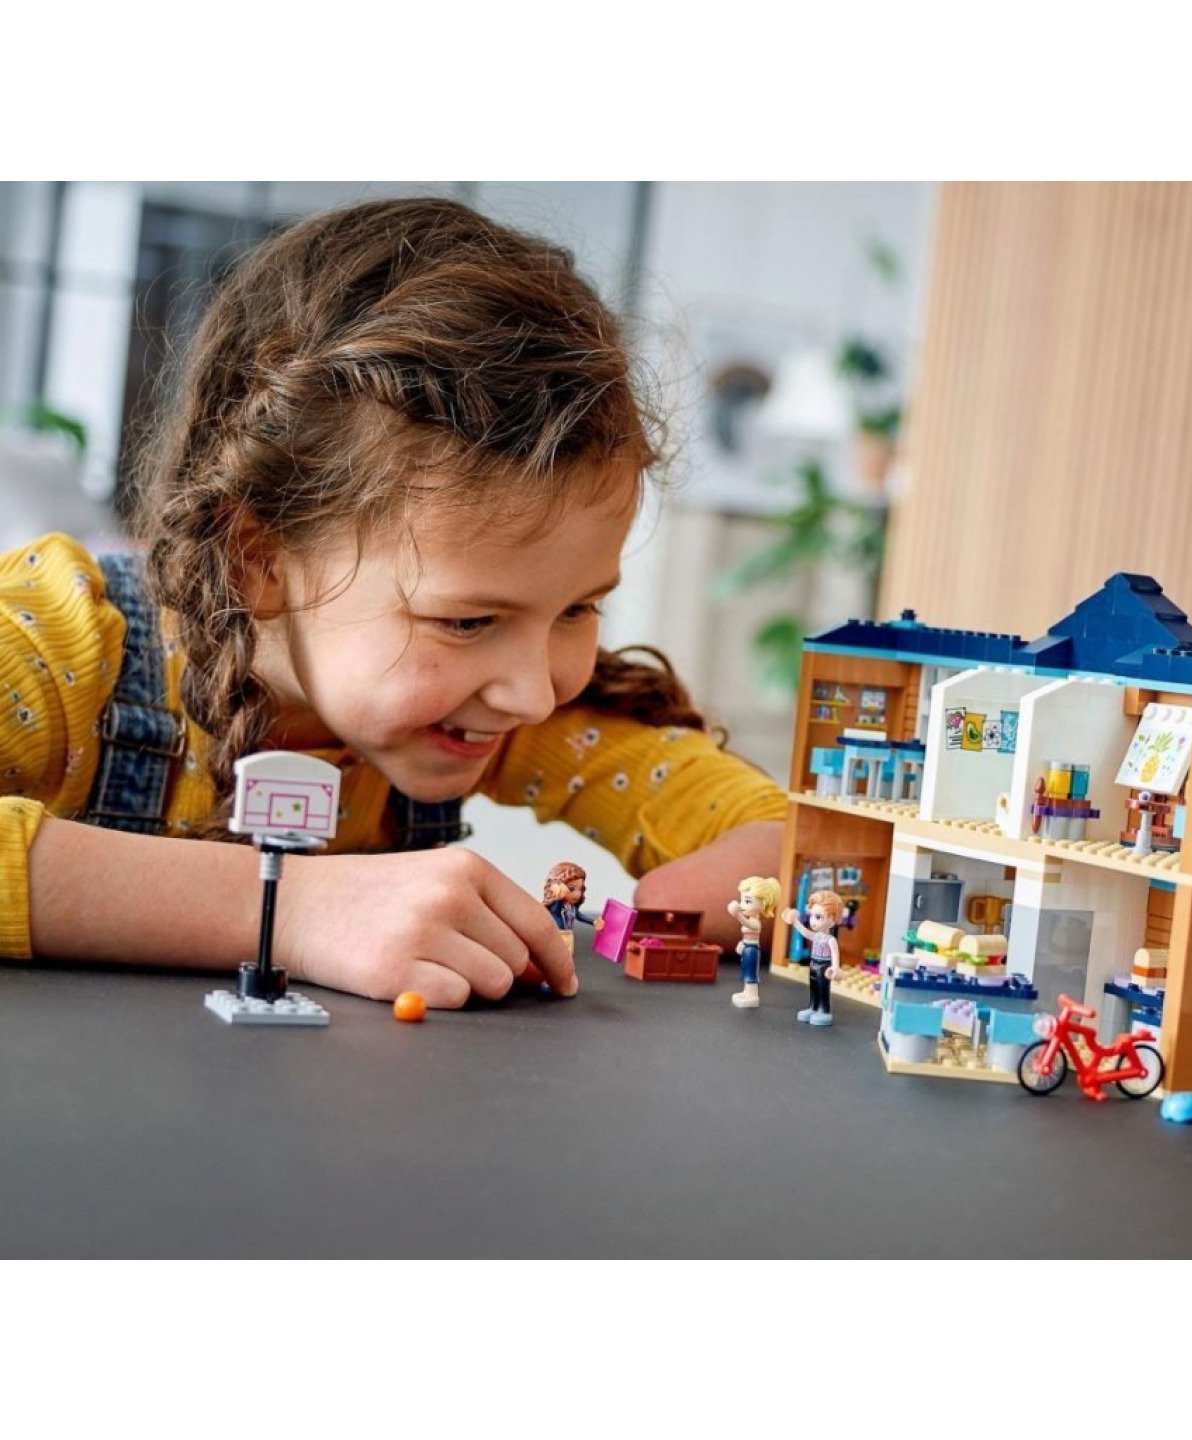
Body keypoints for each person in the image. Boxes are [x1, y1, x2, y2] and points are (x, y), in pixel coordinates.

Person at [0, 198, 785, 1009]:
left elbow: (767, 830)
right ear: (257, 558)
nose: (532, 695)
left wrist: (736, 880)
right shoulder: (53, 647)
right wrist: (292, 912)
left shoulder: (489, 710)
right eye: (467, 621)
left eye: (578, 610)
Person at [782, 889, 843, 1028]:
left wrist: (835, 967)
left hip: (824, 966)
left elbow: (835, 954)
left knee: (823, 989)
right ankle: (813, 1007)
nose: (813, 921)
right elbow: (804, 931)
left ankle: (824, 1011)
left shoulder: (830, 940)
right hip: (814, 964)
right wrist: (794, 921)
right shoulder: (816, 936)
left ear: (833, 918)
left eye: (818, 917)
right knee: (814, 987)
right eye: (812, 916)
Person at [727, 874, 781, 1009]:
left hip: (752, 950)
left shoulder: (755, 922)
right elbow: (746, 934)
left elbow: (746, 923)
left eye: (747, 901)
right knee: (746, 971)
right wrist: (741, 944)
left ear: (763, 903)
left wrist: (737, 914)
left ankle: (753, 996)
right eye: (742, 900)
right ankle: (746, 992)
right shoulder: (750, 920)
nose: (742, 905)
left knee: (751, 973)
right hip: (747, 948)